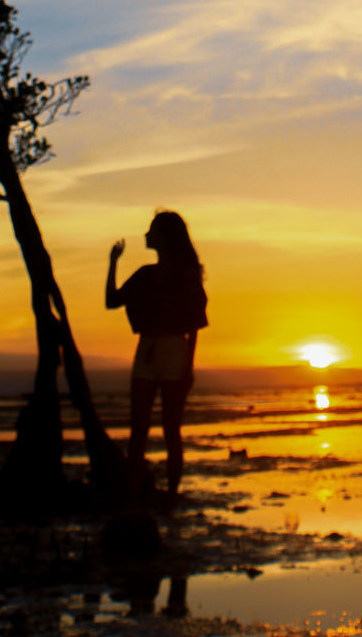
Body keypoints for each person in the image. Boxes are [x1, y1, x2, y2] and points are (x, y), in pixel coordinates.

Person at [106, 208, 207, 503]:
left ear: (165, 236)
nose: (147, 234)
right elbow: (112, 300)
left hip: (175, 351)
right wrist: (113, 263)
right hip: (148, 350)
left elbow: (195, 325)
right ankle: (134, 493)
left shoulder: (185, 276)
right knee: (139, 427)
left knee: (170, 429)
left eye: (152, 229)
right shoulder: (145, 274)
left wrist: (188, 366)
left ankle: (172, 494)